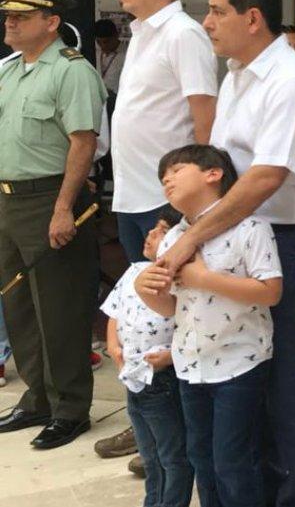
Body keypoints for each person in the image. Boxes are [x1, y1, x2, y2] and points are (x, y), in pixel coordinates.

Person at [154, 0, 295, 507]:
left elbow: (266, 176)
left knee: (286, 386)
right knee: (240, 384)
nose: (206, 22)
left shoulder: (290, 78)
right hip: (226, 238)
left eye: (217, 11)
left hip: (281, 241)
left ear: (253, 18)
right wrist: (182, 224)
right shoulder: (238, 72)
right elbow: (220, 169)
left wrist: (190, 238)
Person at [135, 144, 282, 507]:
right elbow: (171, 307)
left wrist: (202, 278)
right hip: (191, 365)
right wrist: (146, 290)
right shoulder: (172, 239)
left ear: (213, 173)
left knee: (234, 460)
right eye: (162, 177)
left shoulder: (251, 228)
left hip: (240, 362)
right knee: (201, 456)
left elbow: (270, 291)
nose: (166, 179)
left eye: (176, 170)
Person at [0, 0, 107, 449]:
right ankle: (37, 397)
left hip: (50, 198)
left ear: (52, 22)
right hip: (7, 200)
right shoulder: (8, 70)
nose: (10, 23)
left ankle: (69, 408)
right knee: (19, 305)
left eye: (20, 17)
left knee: (59, 308)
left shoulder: (72, 70)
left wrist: (64, 208)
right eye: (7, 16)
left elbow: (83, 142)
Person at [111, 0, 218, 264]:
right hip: (130, 194)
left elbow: (206, 119)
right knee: (143, 298)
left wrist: (191, 201)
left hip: (166, 198)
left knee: (171, 299)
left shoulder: (183, 34)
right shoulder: (142, 32)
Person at [103, 205, 192, 507]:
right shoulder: (135, 270)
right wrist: (113, 346)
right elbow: (113, 313)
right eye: (152, 229)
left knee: (172, 456)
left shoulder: (182, 281)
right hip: (133, 375)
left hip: (162, 378)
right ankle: (152, 501)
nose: (151, 235)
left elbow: (190, 326)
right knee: (150, 453)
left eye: (162, 232)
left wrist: (170, 357)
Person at [95, 18, 127, 109]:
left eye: (106, 42)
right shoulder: (95, 53)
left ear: (116, 36)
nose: (103, 46)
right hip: (98, 101)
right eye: (98, 42)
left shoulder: (127, 54)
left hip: (118, 103)